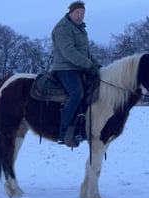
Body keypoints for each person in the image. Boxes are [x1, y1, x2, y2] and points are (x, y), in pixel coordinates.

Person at [51, 1, 100, 144]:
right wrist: (89, 65)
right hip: (65, 68)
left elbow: (86, 52)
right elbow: (69, 52)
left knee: (94, 88)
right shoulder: (63, 28)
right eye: (77, 13)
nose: (80, 16)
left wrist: (97, 66)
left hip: (79, 67)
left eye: (83, 13)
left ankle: (81, 127)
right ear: (70, 12)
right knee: (76, 93)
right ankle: (63, 132)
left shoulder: (80, 29)